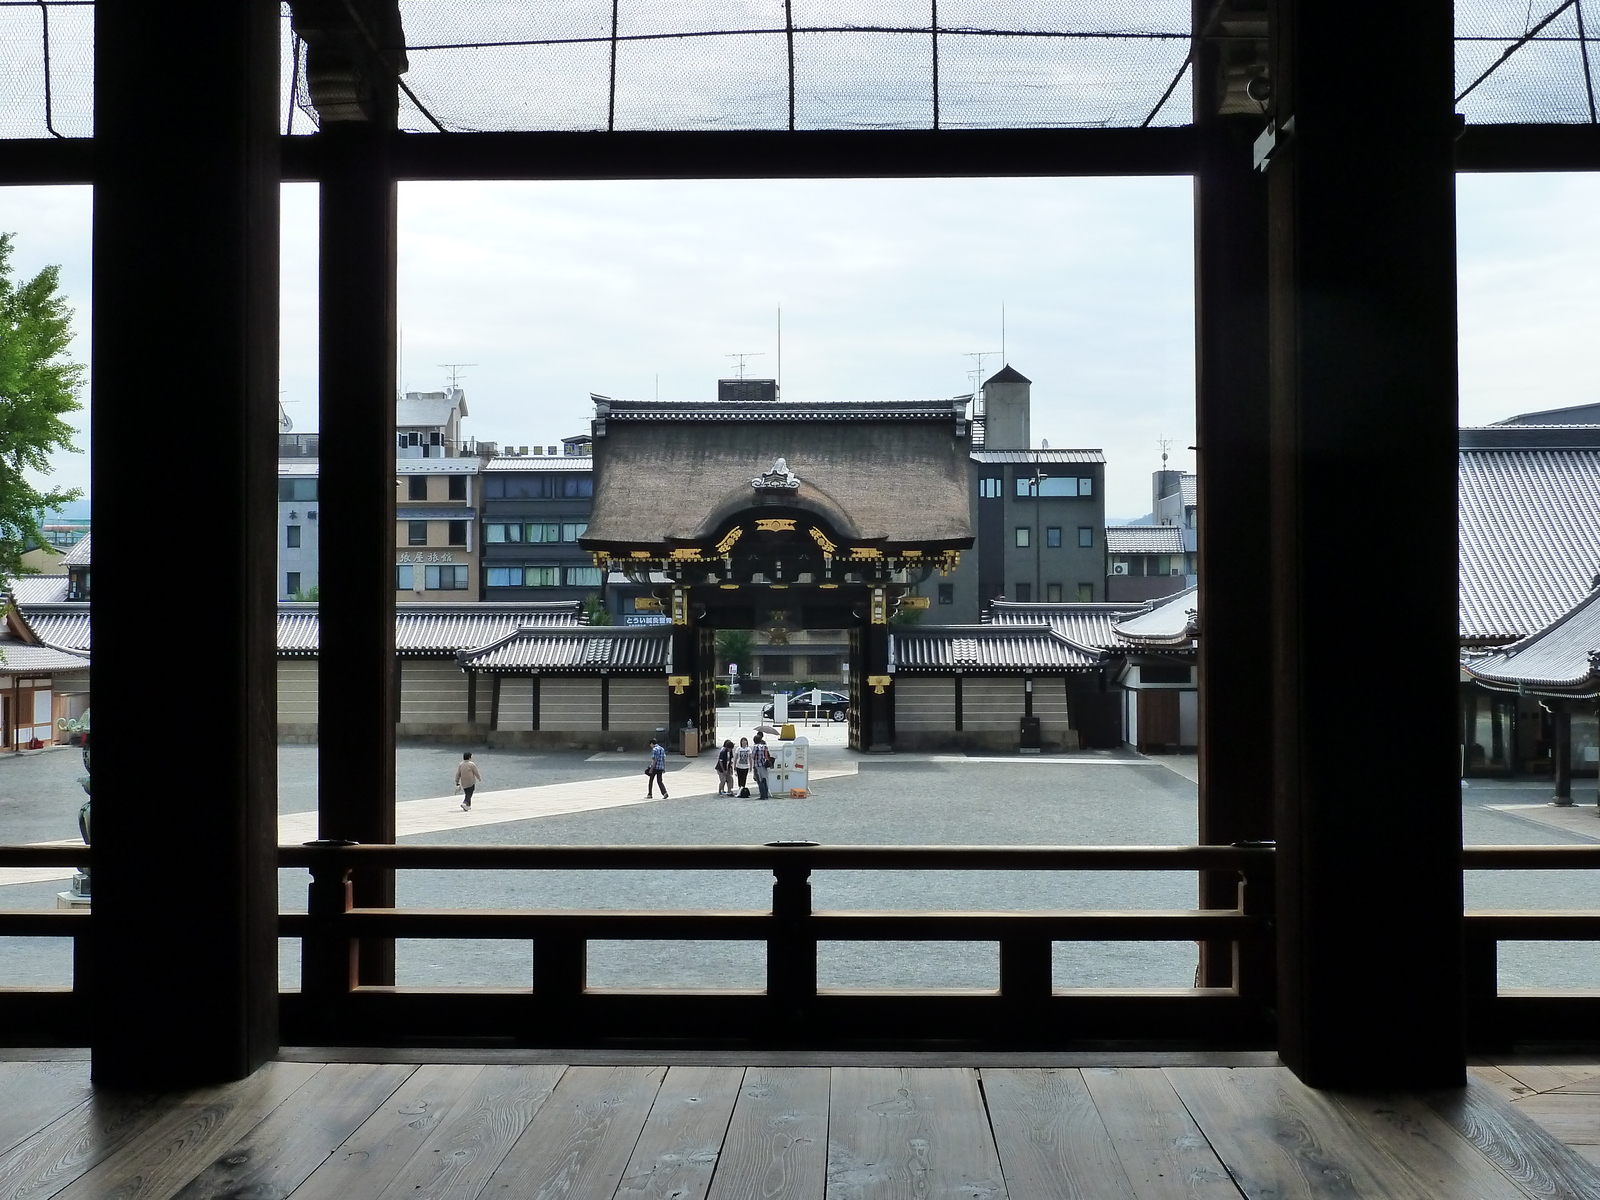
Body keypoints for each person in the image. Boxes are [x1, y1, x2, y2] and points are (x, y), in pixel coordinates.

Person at [752, 731, 771, 800]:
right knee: (764, 780)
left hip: (758, 765)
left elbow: (753, 756)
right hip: (764, 765)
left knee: (759, 781)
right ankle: (766, 794)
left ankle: (762, 795)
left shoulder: (755, 747)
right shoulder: (764, 746)